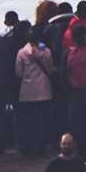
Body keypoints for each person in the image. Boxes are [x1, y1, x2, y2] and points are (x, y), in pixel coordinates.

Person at [13, 29, 56, 157]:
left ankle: (29, 145)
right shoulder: (46, 52)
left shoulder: (21, 53)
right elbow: (50, 68)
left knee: (29, 121)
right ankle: (41, 145)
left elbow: (18, 73)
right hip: (44, 89)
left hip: (27, 91)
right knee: (43, 119)